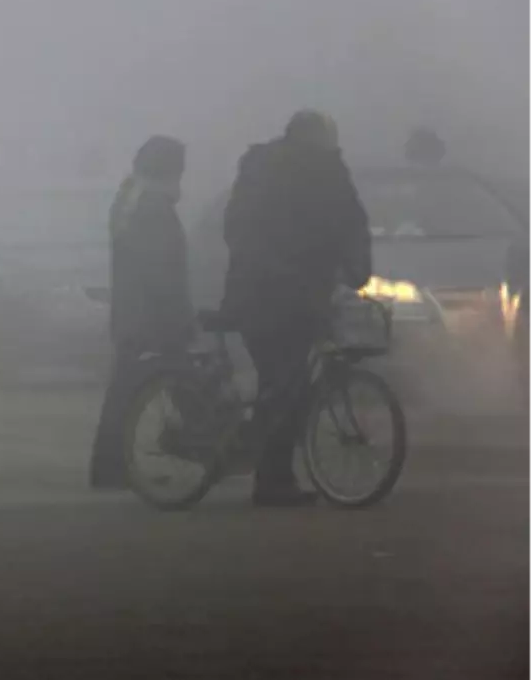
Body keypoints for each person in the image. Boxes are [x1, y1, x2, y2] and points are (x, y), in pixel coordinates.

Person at [221, 111, 372, 507]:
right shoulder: (290, 171)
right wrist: (346, 271)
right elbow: (243, 232)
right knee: (285, 383)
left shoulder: (299, 169)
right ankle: (270, 477)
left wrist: (354, 270)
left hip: (287, 295)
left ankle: (271, 471)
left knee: (289, 385)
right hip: (274, 297)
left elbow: (351, 222)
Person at [89, 136, 191, 489]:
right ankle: (114, 469)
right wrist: (179, 318)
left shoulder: (130, 201)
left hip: (132, 315)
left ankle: (109, 468)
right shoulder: (153, 208)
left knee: (125, 393)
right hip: (151, 317)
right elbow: (162, 270)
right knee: (156, 386)